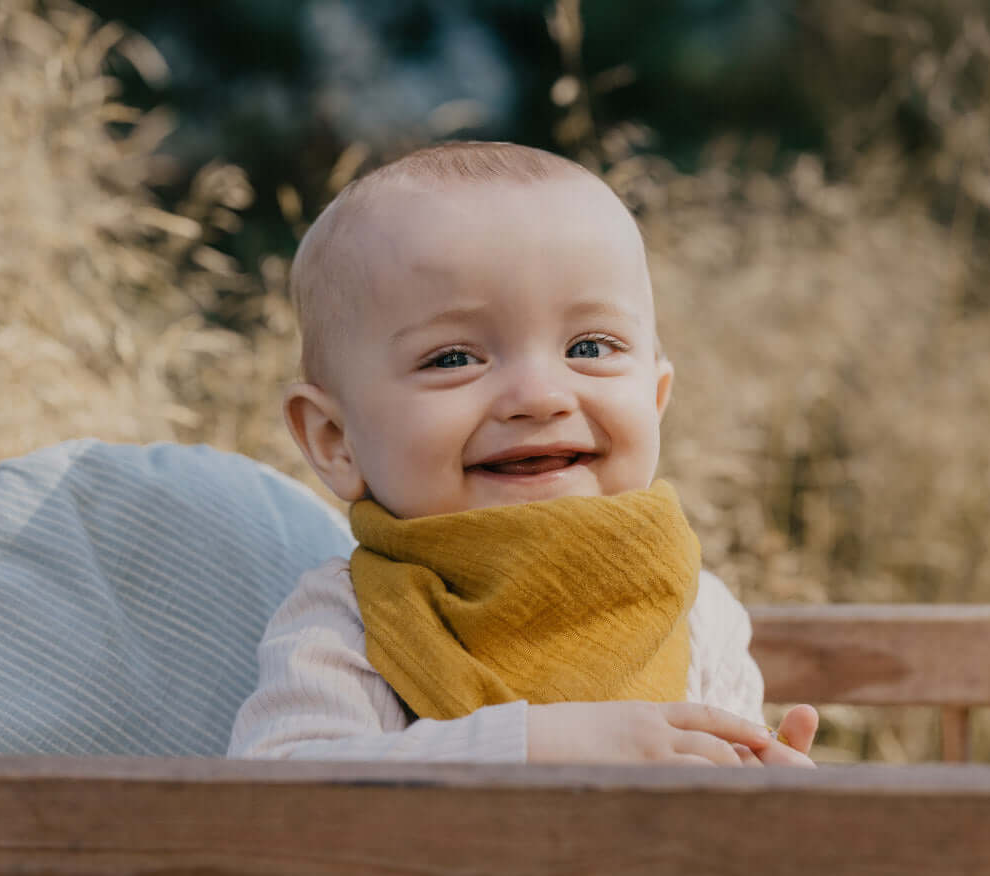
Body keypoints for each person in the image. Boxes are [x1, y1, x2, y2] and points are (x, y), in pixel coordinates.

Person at [228, 141, 817, 765]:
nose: (539, 397)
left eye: (590, 347)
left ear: (657, 397)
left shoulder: (694, 607)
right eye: (454, 358)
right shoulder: (351, 621)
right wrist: (535, 746)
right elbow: (281, 789)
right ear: (334, 440)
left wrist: (766, 797)